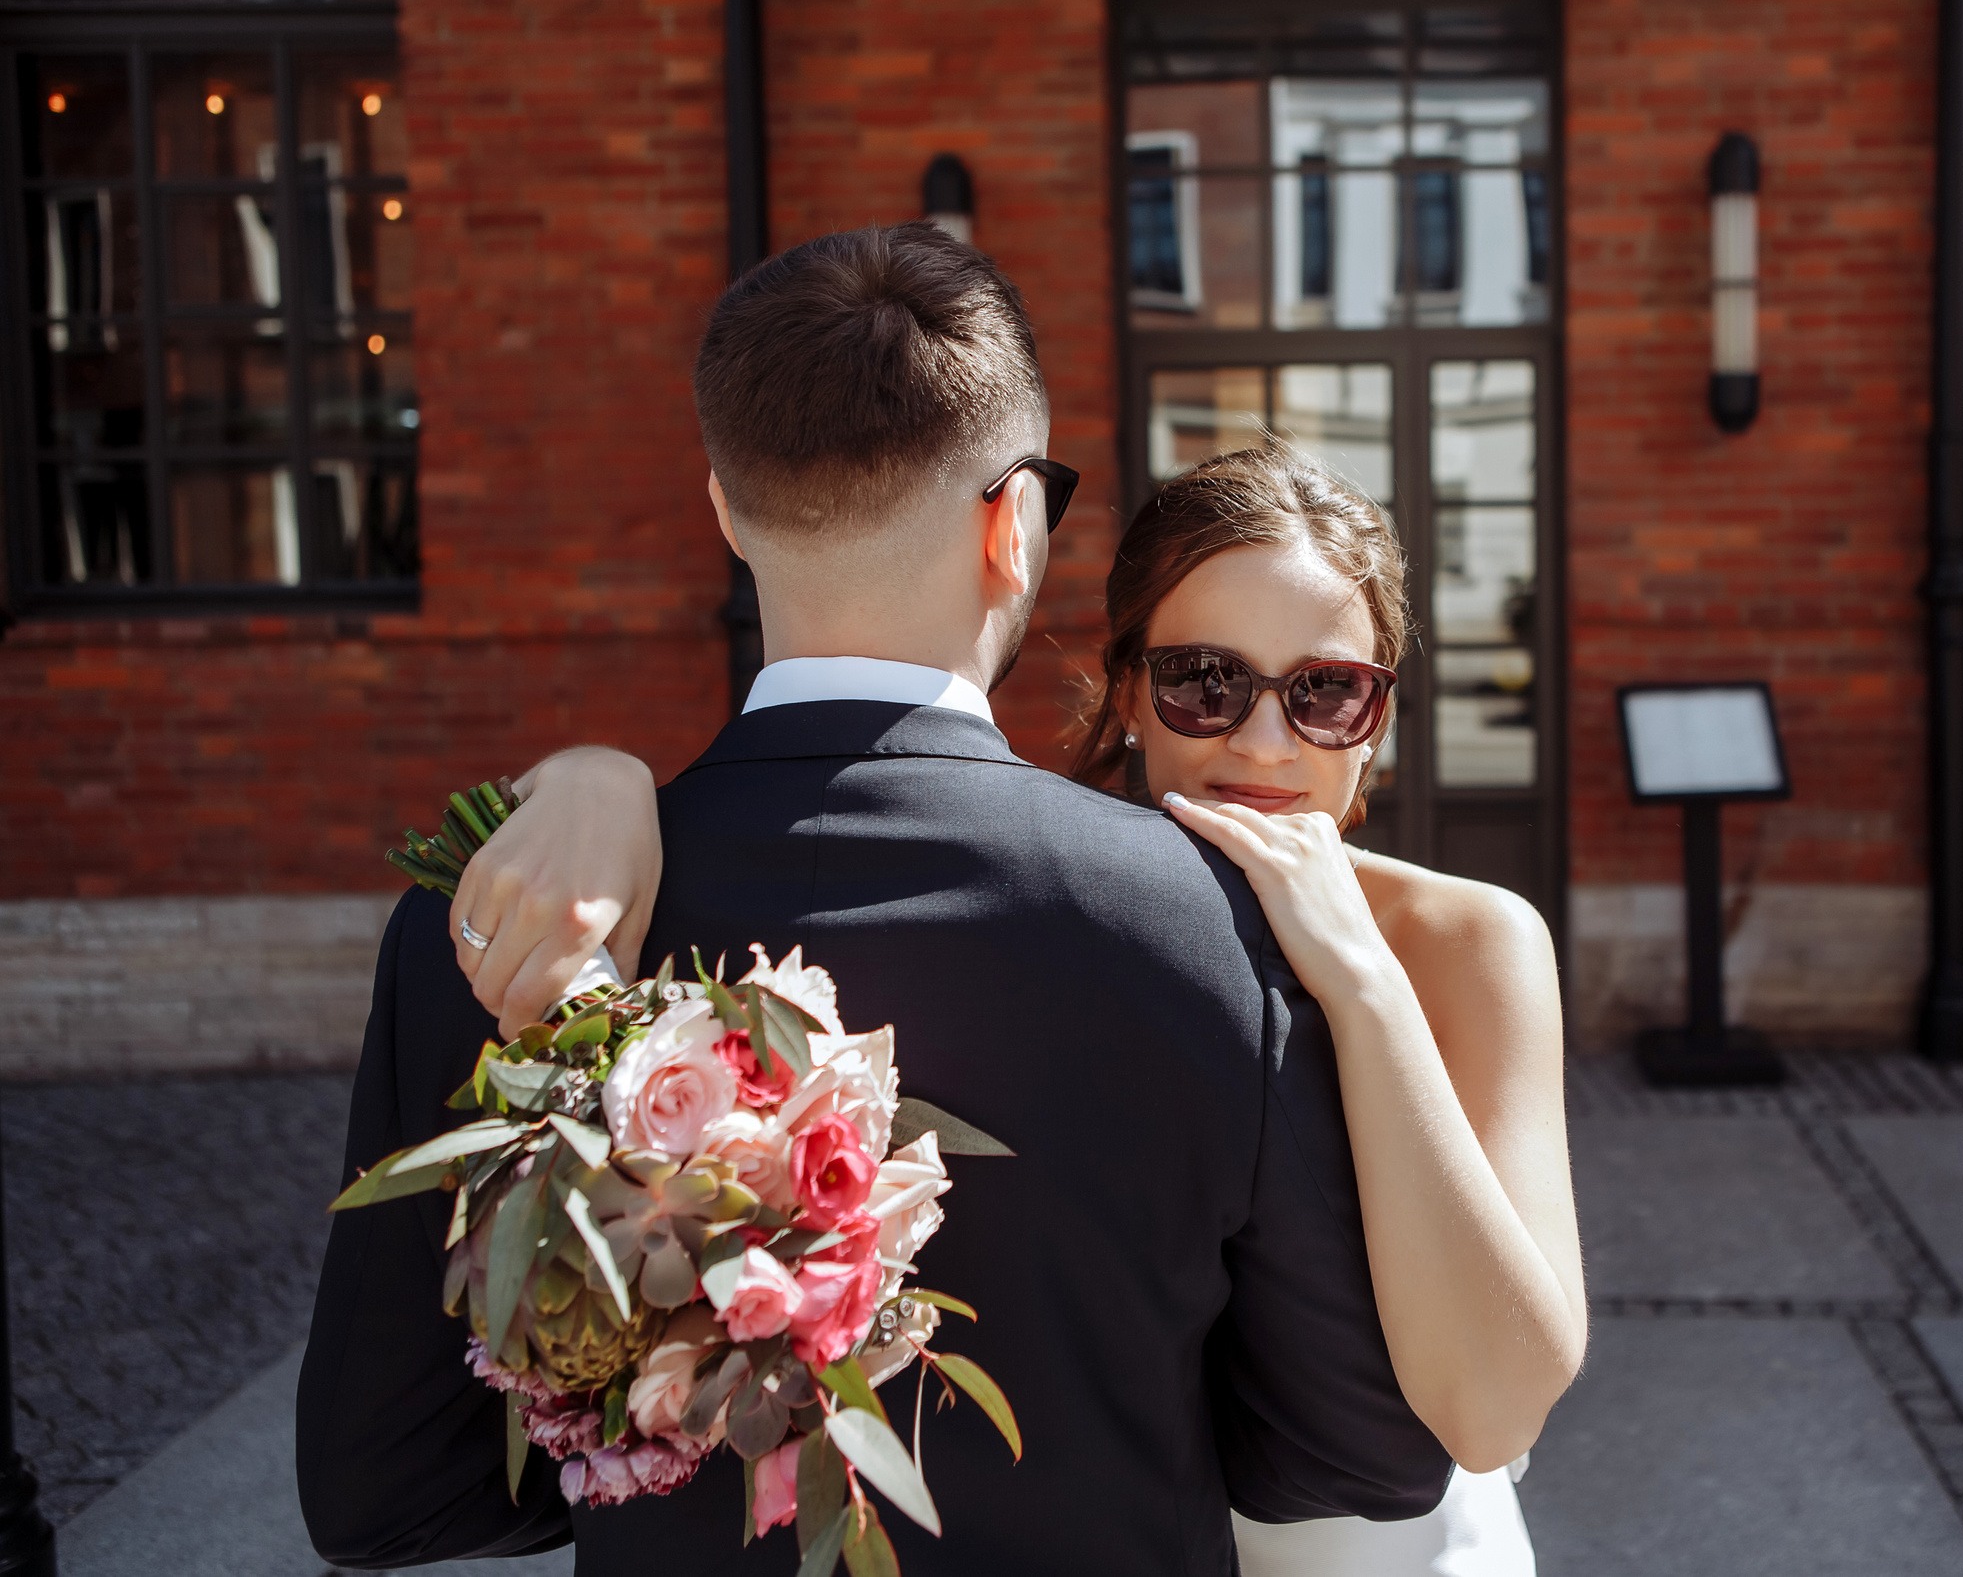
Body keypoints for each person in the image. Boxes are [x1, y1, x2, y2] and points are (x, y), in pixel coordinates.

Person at [297, 225, 1454, 1576]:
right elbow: (1361, 1449)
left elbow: (382, 1489)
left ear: (726, 509)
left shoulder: (511, 917)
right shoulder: (1213, 919)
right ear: (1012, 523)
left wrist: (655, 1439)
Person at [454, 446, 1587, 1576]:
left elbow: (1493, 1413)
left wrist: (1363, 983)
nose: (1263, 740)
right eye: (1207, 681)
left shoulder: (1466, 941)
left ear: (1377, 713)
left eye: (1325, 691)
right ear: (1130, 689)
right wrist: (591, 776)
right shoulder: (1064, 912)